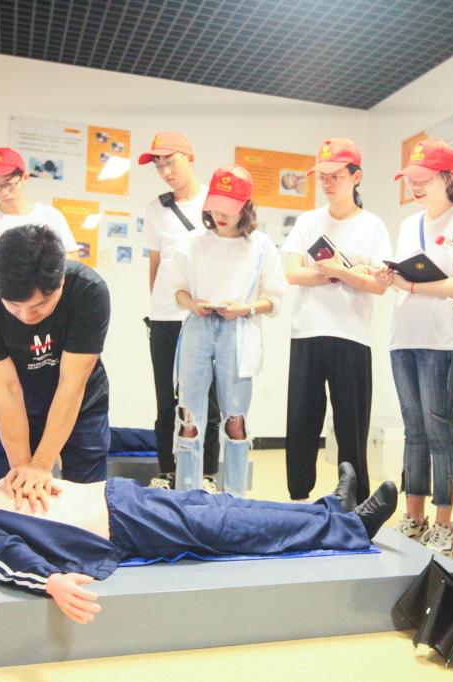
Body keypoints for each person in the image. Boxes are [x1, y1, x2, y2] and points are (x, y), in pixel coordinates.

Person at [0, 466, 398, 624]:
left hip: (122, 498)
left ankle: (330, 510)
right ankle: (350, 529)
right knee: (231, 524)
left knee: (226, 507)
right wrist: (50, 581)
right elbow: (5, 560)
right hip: (126, 524)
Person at [0, 225, 111, 511]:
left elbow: (72, 383)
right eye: (14, 306)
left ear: (61, 280)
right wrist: (24, 472)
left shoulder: (89, 291)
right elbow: (5, 387)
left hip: (79, 406)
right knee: (10, 501)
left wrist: (41, 464)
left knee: (85, 503)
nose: (27, 316)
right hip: (14, 407)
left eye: (41, 305)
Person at [159, 164, 286, 495]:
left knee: (235, 418)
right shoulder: (193, 242)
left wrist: (245, 309)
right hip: (198, 327)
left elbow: (275, 299)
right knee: (188, 416)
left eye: (228, 208)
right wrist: (192, 304)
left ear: (245, 207)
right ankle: (186, 494)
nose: (220, 215)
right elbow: (176, 289)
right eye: (215, 207)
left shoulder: (261, 246)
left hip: (239, 330)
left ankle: (235, 495)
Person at [375, 139, 453, 555]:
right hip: (404, 336)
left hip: (443, 339)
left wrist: (412, 285)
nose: (414, 186)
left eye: (423, 179)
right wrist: (388, 277)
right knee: (413, 429)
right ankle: (413, 516)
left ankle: (444, 522)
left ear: (446, 178)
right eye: (410, 179)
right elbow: (402, 277)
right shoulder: (408, 225)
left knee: (438, 429)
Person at [281, 138, 392, 503]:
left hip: (352, 335)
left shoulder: (373, 226)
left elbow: (378, 285)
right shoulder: (308, 221)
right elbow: (293, 273)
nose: (328, 184)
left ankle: (355, 502)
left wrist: (338, 270)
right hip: (308, 332)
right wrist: (346, 272)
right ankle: (299, 498)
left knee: (351, 425)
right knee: (302, 421)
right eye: (323, 177)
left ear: (356, 177)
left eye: (336, 176)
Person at [139, 132, 222, 491]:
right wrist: (158, 305)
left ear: (190, 158)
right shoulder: (155, 209)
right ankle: (166, 471)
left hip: (203, 315)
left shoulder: (214, 202)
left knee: (208, 399)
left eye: (170, 161)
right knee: (166, 399)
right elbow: (155, 264)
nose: (165, 171)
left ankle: (206, 474)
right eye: (158, 165)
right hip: (164, 316)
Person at [0, 147, 78, 281]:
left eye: (9, 184)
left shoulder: (50, 216)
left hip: (45, 292)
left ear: (24, 178)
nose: (4, 192)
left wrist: (40, 256)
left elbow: (75, 263)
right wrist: (3, 261)